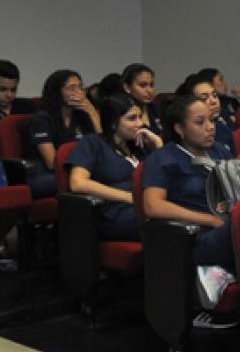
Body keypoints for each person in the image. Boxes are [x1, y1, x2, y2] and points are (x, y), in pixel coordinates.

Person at [141, 94, 236, 324]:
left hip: (226, 225)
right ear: (179, 128)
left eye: (212, 121)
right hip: (195, 237)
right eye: (200, 122)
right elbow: (152, 206)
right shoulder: (164, 159)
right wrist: (209, 220)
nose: (210, 128)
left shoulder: (220, 152)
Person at [65, 92, 162, 241]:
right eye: (132, 118)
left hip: (146, 206)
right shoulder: (93, 143)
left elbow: (167, 180)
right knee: (170, 226)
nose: (139, 123)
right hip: (114, 212)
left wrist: (158, 147)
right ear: (113, 122)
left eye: (140, 117)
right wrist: (129, 197)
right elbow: (78, 183)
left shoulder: (142, 145)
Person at [28, 70, 100, 198]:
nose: (79, 92)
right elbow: (52, 162)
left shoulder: (82, 115)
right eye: (71, 88)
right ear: (57, 92)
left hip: (81, 170)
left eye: (80, 87)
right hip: (49, 174)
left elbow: (102, 145)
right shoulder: (43, 118)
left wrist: (93, 113)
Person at [178, 73, 236, 154]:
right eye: (204, 97)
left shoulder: (222, 127)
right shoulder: (190, 137)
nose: (213, 101)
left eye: (215, 95)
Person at [121, 63, 164, 134]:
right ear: (127, 87)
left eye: (151, 85)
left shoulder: (158, 110)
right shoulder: (121, 112)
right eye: (143, 85)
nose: (150, 90)